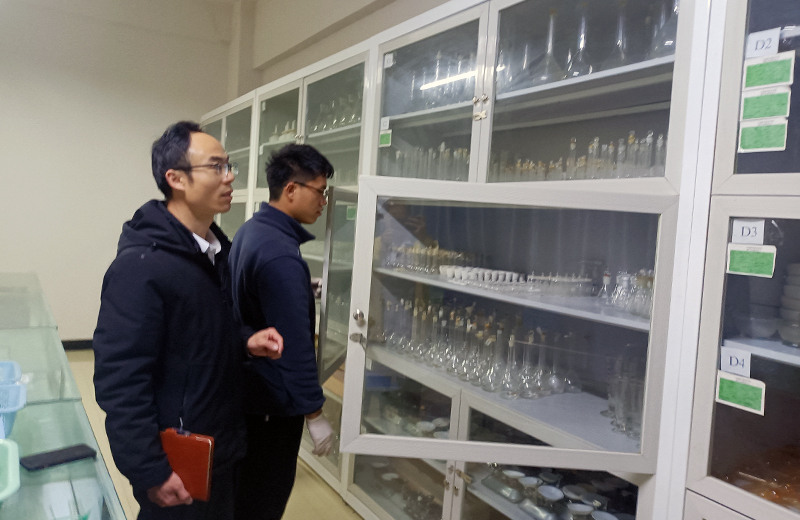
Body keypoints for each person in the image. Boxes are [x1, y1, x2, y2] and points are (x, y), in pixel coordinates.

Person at [93, 121, 283, 520]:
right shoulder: (141, 267)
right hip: (176, 457)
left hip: (221, 444)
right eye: (216, 167)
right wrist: (150, 470)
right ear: (175, 178)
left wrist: (245, 341)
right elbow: (121, 380)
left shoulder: (214, 253)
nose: (229, 177)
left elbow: (201, 332)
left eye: (229, 166)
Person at [229, 144, 336, 520]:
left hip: (248, 394)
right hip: (271, 403)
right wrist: (314, 414)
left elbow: (252, 297)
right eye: (319, 191)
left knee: (244, 494)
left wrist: (299, 289)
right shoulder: (281, 254)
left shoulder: (252, 230)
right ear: (291, 189)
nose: (323, 201)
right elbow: (295, 345)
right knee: (262, 501)